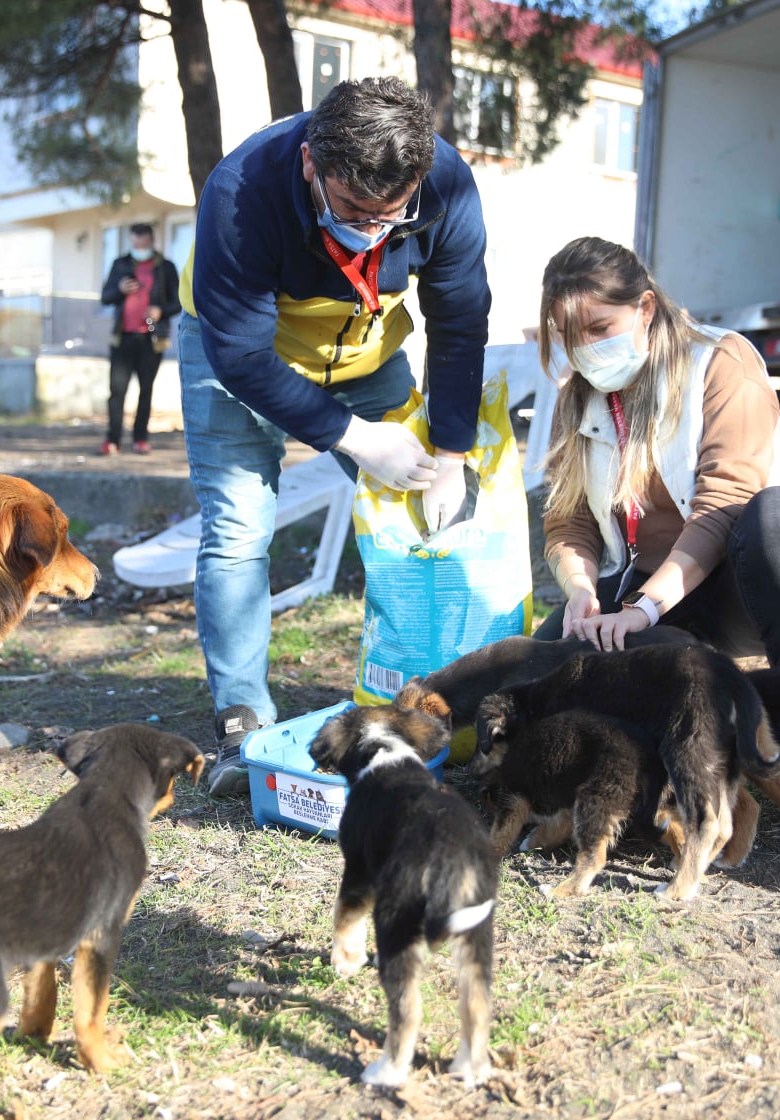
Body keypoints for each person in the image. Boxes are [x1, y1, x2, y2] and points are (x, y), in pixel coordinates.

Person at [179, 77, 491, 794]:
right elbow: (242, 357)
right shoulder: (239, 193)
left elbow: (460, 319)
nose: (374, 228)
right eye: (353, 210)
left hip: (365, 353)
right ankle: (242, 723)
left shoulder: (446, 185)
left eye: (393, 213)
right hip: (235, 349)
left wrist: (451, 452)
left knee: (427, 516)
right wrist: (353, 436)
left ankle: (435, 704)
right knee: (238, 529)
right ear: (311, 165)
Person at [532, 237, 780, 669]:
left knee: (777, 514)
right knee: (536, 670)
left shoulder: (721, 361)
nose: (586, 349)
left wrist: (646, 608)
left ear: (646, 308)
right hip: (644, 591)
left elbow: (726, 499)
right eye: (569, 335)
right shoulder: (576, 398)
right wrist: (580, 588)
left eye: (600, 329)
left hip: (744, 585)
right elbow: (569, 520)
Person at [99, 223, 181, 455]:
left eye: (143, 244)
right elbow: (105, 297)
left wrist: (160, 311)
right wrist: (120, 289)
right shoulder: (120, 265)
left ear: (151, 241)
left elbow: (177, 302)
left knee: (146, 390)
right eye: (135, 244)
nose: (140, 248)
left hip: (151, 339)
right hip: (123, 337)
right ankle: (112, 439)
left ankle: (140, 439)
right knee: (117, 390)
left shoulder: (165, 267)